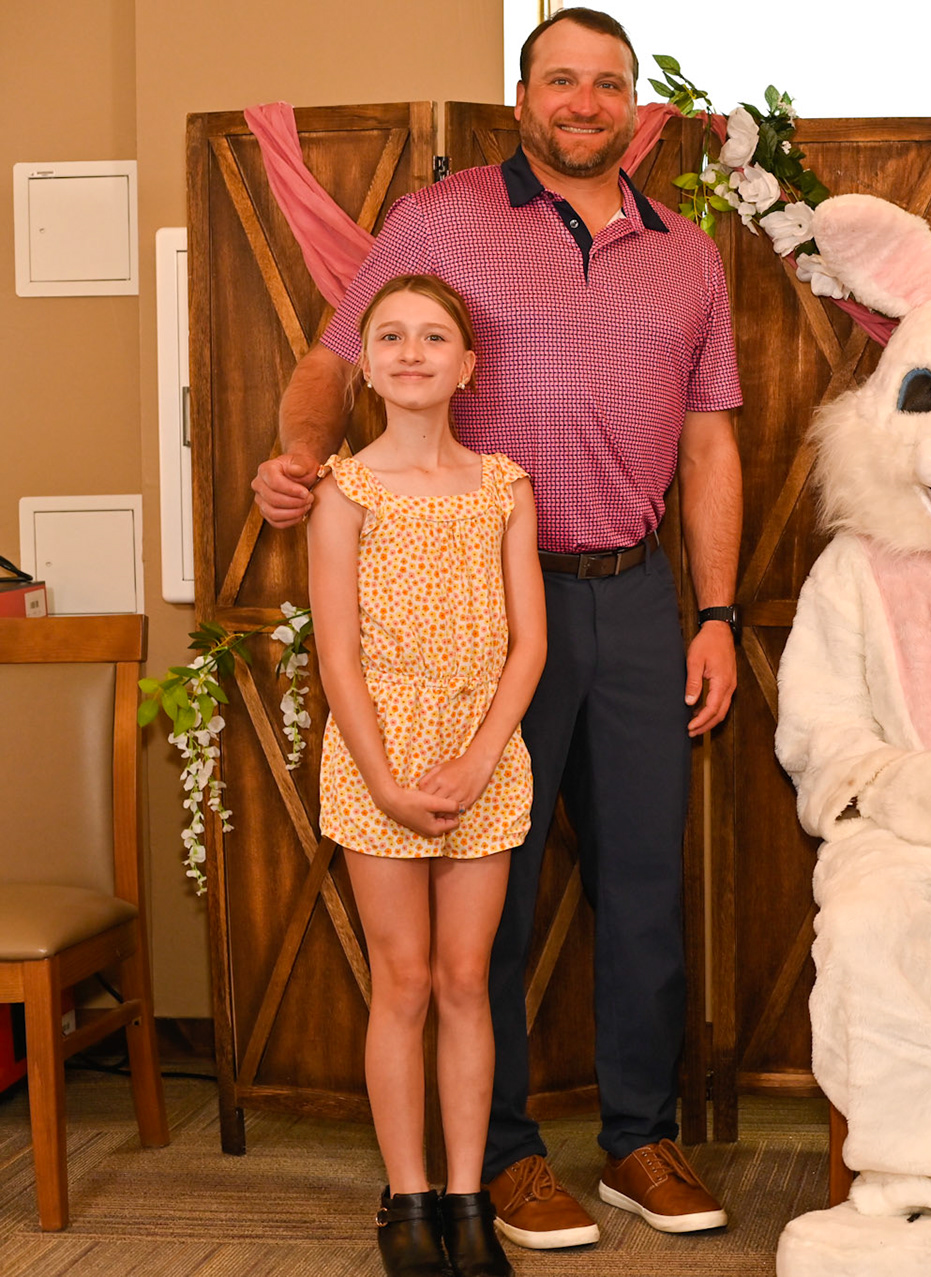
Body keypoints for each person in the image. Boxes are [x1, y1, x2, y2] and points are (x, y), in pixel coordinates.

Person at [252, 7, 744, 1249]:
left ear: (634, 107)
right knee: (496, 896)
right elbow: (332, 361)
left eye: (608, 84)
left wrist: (717, 611)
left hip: (632, 597)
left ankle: (638, 1137)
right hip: (478, 607)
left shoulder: (689, 254)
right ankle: (508, 1159)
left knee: (644, 880)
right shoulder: (441, 218)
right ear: (522, 97)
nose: (584, 102)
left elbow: (709, 444)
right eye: (560, 79)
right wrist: (301, 456)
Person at [309, 275, 542, 1277]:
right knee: (401, 978)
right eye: (392, 336)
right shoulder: (344, 492)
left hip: (480, 752)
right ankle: (407, 1195)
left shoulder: (504, 487)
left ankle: (466, 1193)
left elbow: (529, 644)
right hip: (381, 755)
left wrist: (480, 757)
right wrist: (387, 780)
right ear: (366, 364)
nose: (412, 351)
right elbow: (337, 656)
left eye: (434, 336)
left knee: (464, 978)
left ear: (467, 365)